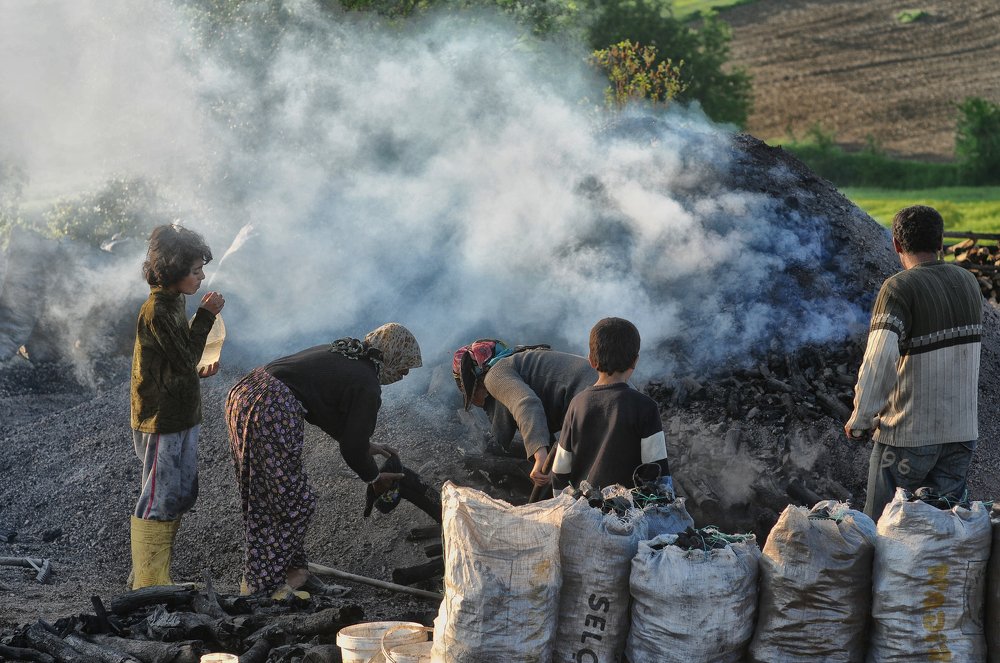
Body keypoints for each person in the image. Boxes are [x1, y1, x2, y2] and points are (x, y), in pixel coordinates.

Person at [226, 323, 422, 599]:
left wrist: (366, 445)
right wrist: (374, 478)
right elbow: (351, 449)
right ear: (392, 354)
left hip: (247, 393)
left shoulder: (346, 354)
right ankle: (266, 587)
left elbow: (325, 410)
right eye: (405, 365)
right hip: (270, 407)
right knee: (296, 502)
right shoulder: (367, 384)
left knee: (266, 494)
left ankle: (294, 574)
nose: (404, 374)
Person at [845, 205, 982, 520]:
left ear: (896, 244)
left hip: (908, 437)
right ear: (941, 242)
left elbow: (879, 360)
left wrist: (861, 418)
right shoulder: (969, 283)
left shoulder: (899, 288)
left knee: (883, 526)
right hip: (961, 435)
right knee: (945, 529)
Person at [129, 224, 225, 589]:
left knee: (181, 491)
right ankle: (149, 584)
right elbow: (183, 356)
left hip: (181, 411)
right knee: (159, 493)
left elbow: (178, 361)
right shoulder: (157, 309)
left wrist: (196, 372)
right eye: (196, 270)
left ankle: (150, 572)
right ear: (173, 270)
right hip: (161, 417)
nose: (201, 277)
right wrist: (206, 316)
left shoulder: (174, 303)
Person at [452, 339, 596, 487]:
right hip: (605, 396)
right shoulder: (521, 362)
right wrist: (549, 462)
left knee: (589, 485)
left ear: (476, 381)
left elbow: (526, 403)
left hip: (592, 403)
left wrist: (540, 457)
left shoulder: (494, 375)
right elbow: (542, 423)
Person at [551, 318, 672, 494]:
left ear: (591, 360)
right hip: (628, 515)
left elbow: (560, 470)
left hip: (584, 511)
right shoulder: (645, 407)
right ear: (635, 361)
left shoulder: (577, 404)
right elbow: (657, 472)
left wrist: (563, 510)